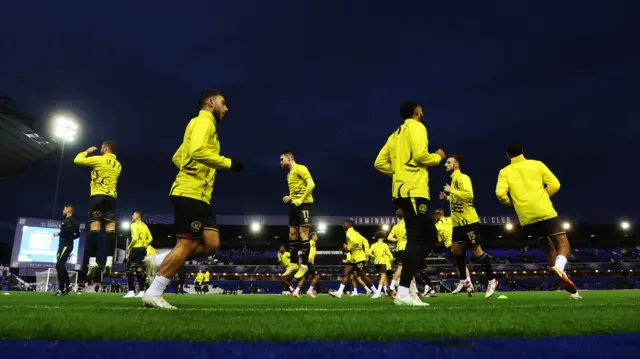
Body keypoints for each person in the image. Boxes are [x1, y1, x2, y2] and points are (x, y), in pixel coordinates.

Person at [142, 89, 244, 309]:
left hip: (201, 196)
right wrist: (227, 163)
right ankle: (154, 291)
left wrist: (193, 168)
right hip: (190, 193)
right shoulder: (203, 122)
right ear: (210, 103)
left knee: (211, 245)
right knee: (187, 244)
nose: (226, 108)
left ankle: (158, 260)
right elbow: (197, 151)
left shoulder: (204, 126)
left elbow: (178, 157)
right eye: (223, 103)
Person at [374, 101, 445, 306]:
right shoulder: (418, 127)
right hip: (414, 190)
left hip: (402, 190)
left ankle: (408, 288)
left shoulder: (395, 134)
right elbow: (421, 156)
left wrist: (397, 172)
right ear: (416, 112)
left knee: (430, 236)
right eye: (422, 110)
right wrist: (438, 157)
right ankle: (404, 290)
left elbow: (379, 163)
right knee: (419, 239)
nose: (423, 113)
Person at [495, 143, 580, 299]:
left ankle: (572, 293)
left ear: (507, 155)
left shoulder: (504, 172)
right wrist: (542, 196)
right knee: (562, 243)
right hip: (544, 210)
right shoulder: (537, 164)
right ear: (523, 152)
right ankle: (559, 267)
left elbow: (500, 194)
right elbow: (555, 184)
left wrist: (514, 204)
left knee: (550, 250)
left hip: (526, 217)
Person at [440, 155, 497, 298]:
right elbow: (459, 201)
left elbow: (469, 195)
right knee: (455, 251)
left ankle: (492, 280)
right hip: (457, 223)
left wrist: (451, 191)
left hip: (469, 222)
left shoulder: (462, 178)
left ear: (456, 165)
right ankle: (463, 280)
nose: (445, 165)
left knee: (477, 251)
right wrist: (447, 198)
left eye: (448, 162)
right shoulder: (454, 181)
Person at [73, 141, 122, 286]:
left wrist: (87, 151)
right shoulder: (118, 165)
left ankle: (92, 261)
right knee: (111, 230)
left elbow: (77, 160)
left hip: (97, 196)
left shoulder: (99, 159)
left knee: (95, 229)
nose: (100, 149)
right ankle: (108, 261)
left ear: (106, 148)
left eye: (102, 147)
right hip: (111, 198)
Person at [280, 151, 315, 274]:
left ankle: (304, 266)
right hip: (294, 205)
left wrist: (301, 199)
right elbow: (295, 190)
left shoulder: (301, 168)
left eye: (282, 159)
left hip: (305, 204)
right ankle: (293, 263)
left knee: (303, 233)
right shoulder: (288, 175)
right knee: (292, 234)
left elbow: (311, 184)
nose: (280, 162)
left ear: (289, 159)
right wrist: (289, 197)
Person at [330, 220, 380, 299]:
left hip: (358, 258)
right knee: (347, 273)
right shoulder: (356, 233)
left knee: (363, 276)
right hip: (355, 258)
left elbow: (355, 242)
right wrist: (366, 251)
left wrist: (348, 249)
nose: (343, 226)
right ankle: (340, 292)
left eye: (344, 224)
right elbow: (365, 241)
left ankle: (376, 292)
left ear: (348, 224)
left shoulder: (349, 233)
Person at [434, 208, 472, 292]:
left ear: (437, 215)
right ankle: (469, 284)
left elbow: (439, 240)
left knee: (458, 266)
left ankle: (465, 284)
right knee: (463, 264)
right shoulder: (451, 219)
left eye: (435, 217)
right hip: (459, 243)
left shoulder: (437, 225)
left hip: (450, 245)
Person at [124, 211, 152, 299]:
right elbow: (151, 238)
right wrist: (145, 244)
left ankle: (131, 291)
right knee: (140, 269)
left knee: (130, 269)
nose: (132, 215)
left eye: (133, 214)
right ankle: (141, 292)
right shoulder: (145, 226)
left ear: (137, 216)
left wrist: (129, 246)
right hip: (143, 250)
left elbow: (135, 238)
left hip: (135, 249)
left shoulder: (133, 225)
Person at [53, 204, 80, 296]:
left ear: (68, 210)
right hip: (63, 245)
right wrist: (70, 238)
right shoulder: (72, 221)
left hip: (65, 245)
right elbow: (77, 234)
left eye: (64, 209)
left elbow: (69, 232)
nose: (62, 211)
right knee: (60, 265)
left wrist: (59, 234)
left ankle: (62, 288)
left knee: (59, 265)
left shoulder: (69, 221)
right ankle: (67, 285)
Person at [292, 232, 321, 298]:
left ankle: (296, 292)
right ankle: (310, 291)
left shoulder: (313, 244)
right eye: (316, 236)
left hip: (309, 263)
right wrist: (307, 259)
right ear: (312, 237)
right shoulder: (310, 242)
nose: (317, 237)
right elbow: (304, 251)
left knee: (304, 278)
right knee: (316, 276)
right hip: (308, 262)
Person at [386, 209, 406, 296]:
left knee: (407, 269)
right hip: (407, 247)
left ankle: (414, 291)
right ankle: (391, 287)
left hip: (399, 248)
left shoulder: (396, 226)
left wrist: (398, 239)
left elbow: (389, 237)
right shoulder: (408, 224)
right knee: (401, 268)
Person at [369, 231, 393, 296]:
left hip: (376, 262)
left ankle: (385, 291)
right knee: (383, 276)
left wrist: (374, 256)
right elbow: (389, 254)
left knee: (382, 277)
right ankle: (378, 292)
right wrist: (391, 260)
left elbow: (368, 253)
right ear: (383, 237)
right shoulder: (384, 245)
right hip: (383, 262)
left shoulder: (373, 245)